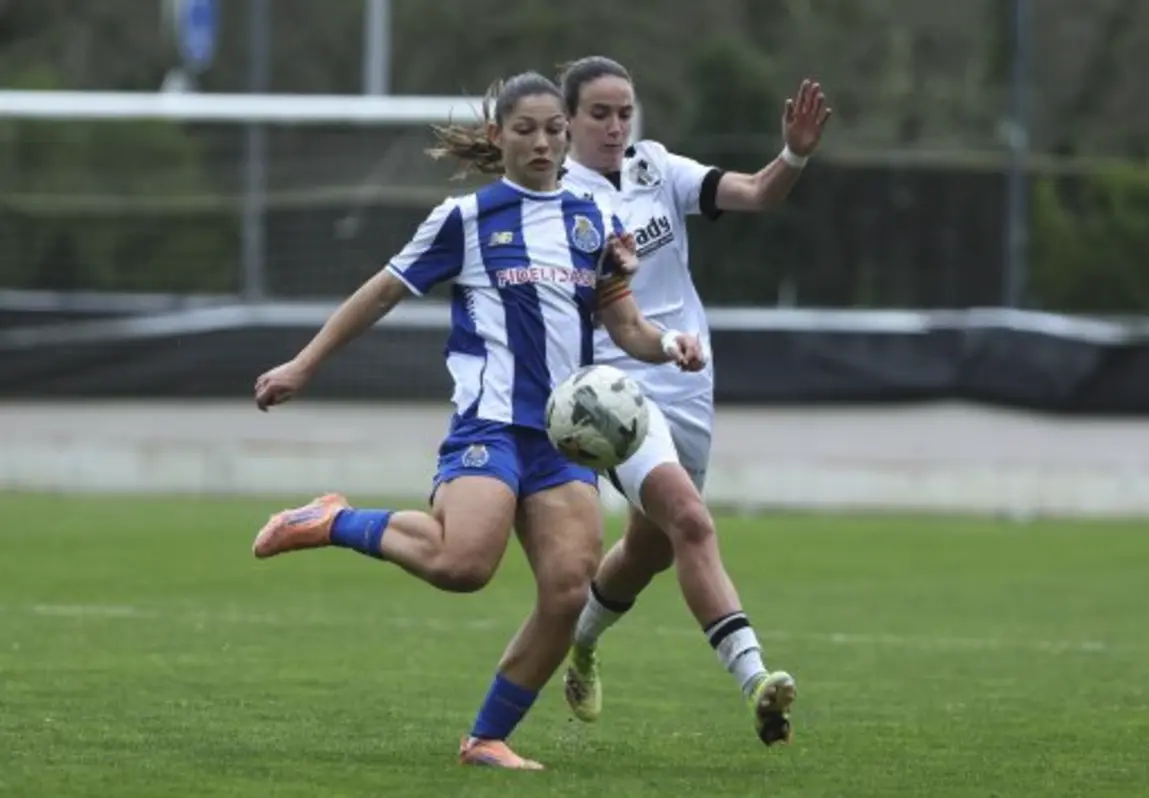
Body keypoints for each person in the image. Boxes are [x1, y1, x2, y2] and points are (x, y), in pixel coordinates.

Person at [249, 70, 706, 771]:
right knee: (462, 565)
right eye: (526, 130)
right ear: (498, 135)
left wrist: (669, 345)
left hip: (564, 439)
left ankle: (487, 738)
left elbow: (627, 328)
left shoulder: (594, 223)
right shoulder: (464, 219)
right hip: (489, 424)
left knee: (568, 589)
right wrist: (303, 365)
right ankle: (334, 520)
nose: (543, 142)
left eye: (554, 129)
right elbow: (380, 293)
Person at [555, 56, 832, 746]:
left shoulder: (654, 167)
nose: (616, 126)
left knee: (649, 550)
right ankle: (757, 681)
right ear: (568, 121)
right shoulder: (557, 201)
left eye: (624, 112)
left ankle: (580, 644)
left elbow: (757, 193)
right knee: (693, 522)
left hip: (689, 382)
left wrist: (794, 155)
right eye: (600, 114)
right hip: (617, 394)